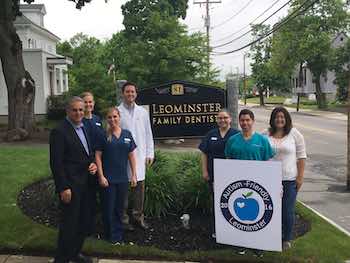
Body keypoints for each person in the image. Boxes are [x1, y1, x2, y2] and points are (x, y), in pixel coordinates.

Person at [49, 96, 97, 263]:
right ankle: (61, 259)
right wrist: (63, 187)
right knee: (69, 226)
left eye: (81, 110)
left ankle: (74, 253)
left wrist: (92, 164)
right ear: (68, 111)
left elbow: (87, 153)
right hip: (71, 187)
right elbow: (56, 163)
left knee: (84, 223)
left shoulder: (85, 128)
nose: (78, 113)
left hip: (86, 185)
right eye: (75, 110)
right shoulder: (59, 131)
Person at [224, 108, 275, 257]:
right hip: (238, 185)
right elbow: (228, 162)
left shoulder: (262, 140)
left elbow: (268, 162)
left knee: (258, 215)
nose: (245, 123)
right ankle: (241, 243)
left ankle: (258, 245)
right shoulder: (232, 140)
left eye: (247, 120)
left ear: (253, 121)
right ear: (239, 122)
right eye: (242, 120)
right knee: (239, 215)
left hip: (258, 185)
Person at [95, 107, 138, 244]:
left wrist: (134, 175)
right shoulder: (103, 135)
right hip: (108, 179)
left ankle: (118, 236)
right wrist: (101, 176)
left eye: (115, 117)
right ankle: (110, 236)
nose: (112, 119)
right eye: (110, 117)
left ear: (119, 118)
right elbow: (98, 156)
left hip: (122, 179)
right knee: (108, 209)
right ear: (106, 119)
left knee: (120, 209)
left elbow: (131, 156)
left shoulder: (127, 134)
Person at [266, 106, 306, 250]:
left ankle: (287, 238)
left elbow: (302, 157)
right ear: (273, 119)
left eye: (282, 117)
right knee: (271, 210)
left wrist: (300, 177)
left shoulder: (294, 134)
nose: (279, 119)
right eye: (277, 117)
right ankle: (272, 236)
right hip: (269, 179)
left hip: (289, 179)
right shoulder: (266, 134)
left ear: (287, 119)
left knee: (287, 210)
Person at [118, 81, 154, 230]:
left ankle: (138, 217)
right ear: (123, 93)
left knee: (139, 190)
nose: (130, 94)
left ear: (136, 94)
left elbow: (148, 133)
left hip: (139, 156)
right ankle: (124, 220)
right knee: (124, 191)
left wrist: (150, 153)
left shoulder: (143, 112)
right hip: (123, 158)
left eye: (133, 92)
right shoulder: (117, 112)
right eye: (127, 92)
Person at [198, 109, 239, 239]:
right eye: (220, 118)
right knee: (217, 202)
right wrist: (204, 171)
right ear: (217, 120)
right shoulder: (211, 134)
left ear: (230, 119)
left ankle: (233, 229)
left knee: (232, 201)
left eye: (225, 118)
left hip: (232, 175)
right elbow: (204, 153)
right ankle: (217, 229)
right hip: (214, 175)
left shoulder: (236, 135)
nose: (222, 120)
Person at [81, 91, 104, 237]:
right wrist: (90, 163)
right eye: (86, 102)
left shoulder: (97, 119)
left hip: (99, 163)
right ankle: (86, 228)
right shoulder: (79, 121)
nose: (88, 104)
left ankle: (97, 224)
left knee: (99, 195)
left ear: (93, 103)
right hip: (86, 165)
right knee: (87, 197)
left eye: (90, 102)